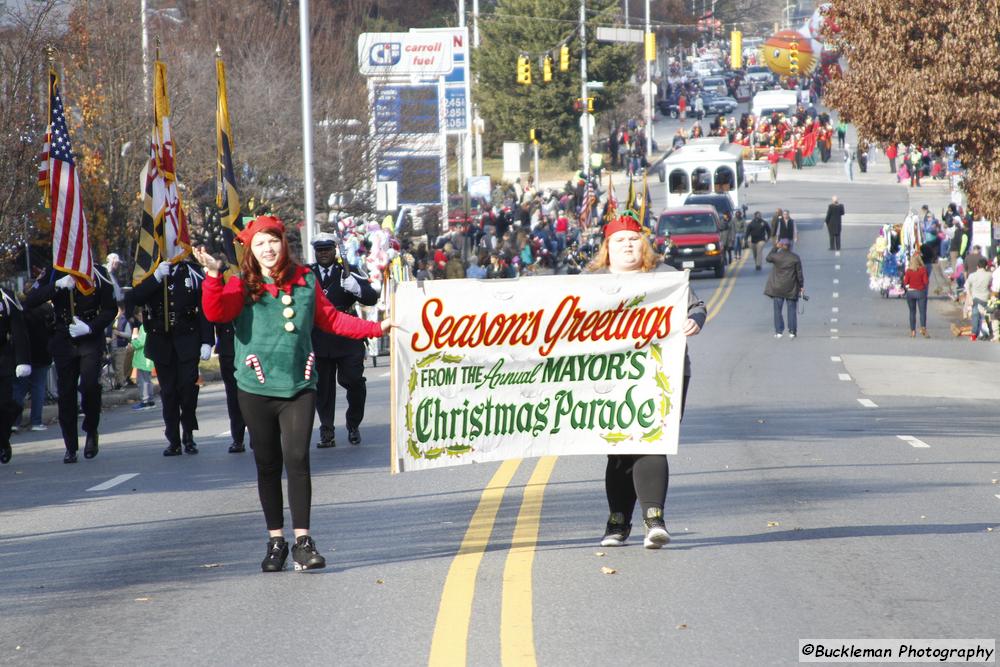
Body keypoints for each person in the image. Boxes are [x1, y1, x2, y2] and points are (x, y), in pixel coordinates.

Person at [197, 215, 392, 572]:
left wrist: (377, 327)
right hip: (255, 387)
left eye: (272, 241)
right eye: (260, 244)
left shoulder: (305, 281)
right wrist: (212, 276)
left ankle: (303, 541)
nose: (268, 249)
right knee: (268, 464)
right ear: (251, 251)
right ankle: (276, 542)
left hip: (299, 385)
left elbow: (332, 319)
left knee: (298, 458)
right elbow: (216, 311)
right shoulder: (242, 285)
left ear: (282, 243)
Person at [588, 215, 706, 550]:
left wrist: (695, 319)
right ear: (607, 248)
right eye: (619, 240)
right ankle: (617, 522)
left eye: (633, 239)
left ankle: (654, 520)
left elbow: (696, 306)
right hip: (608, 374)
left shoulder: (666, 277)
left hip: (662, 373)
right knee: (620, 448)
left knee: (652, 437)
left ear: (644, 244)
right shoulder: (589, 280)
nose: (627, 245)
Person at [22, 266, 116, 463]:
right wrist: (55, 286)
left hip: (89, 336)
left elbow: (110, 309)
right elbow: (30, 301)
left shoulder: (97, 272)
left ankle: (91, 429)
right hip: (63, 337)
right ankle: (70, 445)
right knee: (66, 393)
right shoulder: (54, 272)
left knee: (90, 386)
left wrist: (91, 327)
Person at [131, 258, 215, 456]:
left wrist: (207, 340)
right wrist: (156, 277)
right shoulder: (149, 270)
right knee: (168, 393)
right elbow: (136, 298)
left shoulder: (193, 272)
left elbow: (204, 306)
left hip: (188, 338)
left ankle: (188, 433)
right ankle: (173, 439)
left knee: (187, 389)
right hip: (161, 341)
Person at [308, 232, 380, 449]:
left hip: (348, 336)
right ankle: (327, 430)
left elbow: (371, 297)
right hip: (319, 336)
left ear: (334, 250)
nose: (323, 254)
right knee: (323, 389)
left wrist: (355, 287)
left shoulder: (349, 271)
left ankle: (353, 424)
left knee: (354, 381)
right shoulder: (307, 274)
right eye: (319, 250)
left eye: (327, 249)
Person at [12, 293, 52, 432]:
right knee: (38, 388)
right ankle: (36, 421)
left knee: (19, 389)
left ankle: (15, 421)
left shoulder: (19, 314)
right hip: (42, 353)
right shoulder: (45, 311)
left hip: (24, 356)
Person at [0, 289, 31, 464]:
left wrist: (22, 360)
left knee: (4, 406)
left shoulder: (5, 297)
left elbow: (18, 331)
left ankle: (3, 440)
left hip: (2, 359)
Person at [765, 239, 804, 338]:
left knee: (777, 310)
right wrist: (801, 286)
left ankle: (779, 331)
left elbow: (768, 258)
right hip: (791, 287)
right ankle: (792, 331)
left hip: (777, 287)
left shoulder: (776, 256)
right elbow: (799, 274)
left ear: (781, 246)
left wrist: (775, 247)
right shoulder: (795, 258)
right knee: (791, 310)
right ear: (790, 246)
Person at [130, 314, 156, 410]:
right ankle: (150, 400)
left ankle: (145, 401)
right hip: (148, 358)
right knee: (148, 380)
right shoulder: (151, 324)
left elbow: (140, 342)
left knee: (142, 381)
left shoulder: (143, 326)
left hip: (143, 358)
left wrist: (132, 342)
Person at [965, 257, 993, 341]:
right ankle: (991, 331)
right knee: (988, 316)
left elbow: (966, 286)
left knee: (975, 316)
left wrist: (969, 296)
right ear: (986, 266)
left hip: (975, 298)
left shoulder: (972, 275)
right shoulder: (989, 275)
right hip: (985, 298)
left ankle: (974, 334)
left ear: (977, 267)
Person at [902, 253, 929, 337]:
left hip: (910, 293)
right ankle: (923, 328)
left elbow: (905, 282)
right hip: (920, 292)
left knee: (912, 312)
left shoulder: (908, 271)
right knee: (922, 312)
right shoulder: (923, 270)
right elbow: (926, 282)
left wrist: (907, 285)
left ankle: (913, 331)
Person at [108, 302, 133, 389]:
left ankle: (121, 384)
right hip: (111, 346)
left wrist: (119, 333)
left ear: (122, 311)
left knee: (119, 366)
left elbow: (129, 334)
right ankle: (117, 383)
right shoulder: (110, 320)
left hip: (121, 347)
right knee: (114, 367)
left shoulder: (124, 321)